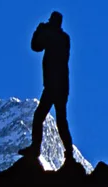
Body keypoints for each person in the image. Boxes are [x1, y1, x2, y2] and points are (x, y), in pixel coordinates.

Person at [18, 11, 75, 165]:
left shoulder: (55, 37)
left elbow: (35, 46)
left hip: (53, 86)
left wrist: (39, 30)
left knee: (39, 117)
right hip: (61, 86)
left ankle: (36, 148)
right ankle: (68, 153)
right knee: (61, 121)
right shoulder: (64, 38)